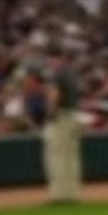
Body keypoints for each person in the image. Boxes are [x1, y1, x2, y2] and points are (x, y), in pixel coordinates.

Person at [39, 51, 86, 206]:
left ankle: (58, 196)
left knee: (56, 157)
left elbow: (54, 94)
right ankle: (72, 194)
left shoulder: (57, 74)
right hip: (73, 115)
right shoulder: (71, 74)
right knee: (71, 157)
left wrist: (50, 114)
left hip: (60, 117)